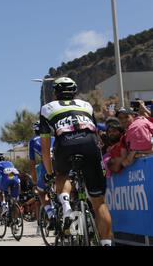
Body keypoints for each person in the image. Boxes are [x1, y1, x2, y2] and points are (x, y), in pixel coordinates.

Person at [39, 77, 112, 246]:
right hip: (90, 145)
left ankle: (66, 206)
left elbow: (44, 147)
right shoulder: (86, 105)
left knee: (62, 174)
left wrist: (50, 173)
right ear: (74, 92)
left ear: (55, 93)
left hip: (65, 145)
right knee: (99, 202)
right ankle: (107, 243)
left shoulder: (46, 108)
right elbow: (96, 134)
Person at [28, 120, 55, 229]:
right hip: (61, 163)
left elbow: (32, 162)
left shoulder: (33, 140)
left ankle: (51, 215)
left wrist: (34, 180)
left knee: (41, 192)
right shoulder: (54, 138)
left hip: (47, 165)